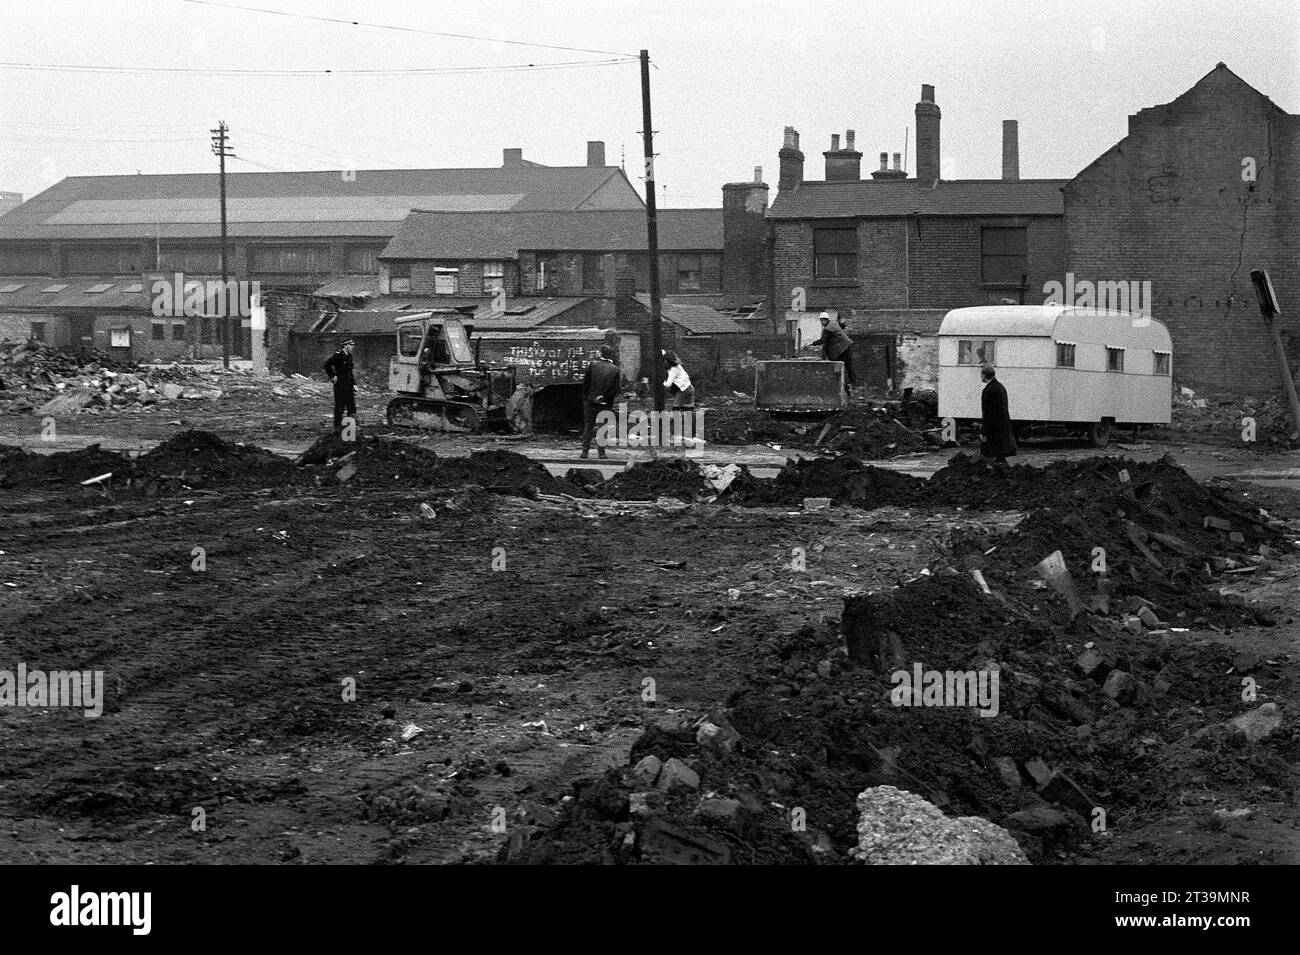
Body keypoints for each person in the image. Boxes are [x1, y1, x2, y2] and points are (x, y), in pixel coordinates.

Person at [580, 344, 620, 459]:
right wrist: (604, 397)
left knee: (588, 427)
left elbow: (586, 384)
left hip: (590, 401)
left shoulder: (592, 365)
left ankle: (584, 452)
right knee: (602, 427)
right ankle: (601, 453)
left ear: (600, 353)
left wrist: (587, 398)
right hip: (606, 403)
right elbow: (615, 390)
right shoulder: (615, 369)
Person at [810, 312, 857, 395]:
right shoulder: (833, 323)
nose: (822, 322)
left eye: (823, 320)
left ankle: (846, 386)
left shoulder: (827, 329)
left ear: (826, 320)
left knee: (839, 367)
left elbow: (823, 340)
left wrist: (812, 344)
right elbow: (841, 327)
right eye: (821, 320)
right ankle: (852, 384)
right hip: (847, 346)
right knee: (849, 367)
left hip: (841, 349)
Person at [979, 365, 1017, 464]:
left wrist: (984, 431)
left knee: (991, 454)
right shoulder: (1000, 387)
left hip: (993, 429)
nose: (980, 377)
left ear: (984, 375)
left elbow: (988, 413)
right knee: (1000, 455)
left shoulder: (989, 390)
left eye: (981, 375)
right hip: (1002, 426)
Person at [324, 338, 357, 432]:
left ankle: (350, 429)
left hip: (349, 384)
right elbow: (327, 365)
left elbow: (350, 372)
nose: (352, 347)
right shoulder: (338, 355)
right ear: (346, 346)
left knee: (352, 406)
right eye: (351, 345)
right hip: (340, 385)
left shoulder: (350, 356)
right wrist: (332, 376)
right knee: (340, 406)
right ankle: (337, 427)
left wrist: (354, 384)